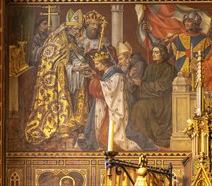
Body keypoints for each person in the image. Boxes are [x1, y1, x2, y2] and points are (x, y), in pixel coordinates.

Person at [25, 9, 89, 146]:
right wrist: (72, 68)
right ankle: (59, 126)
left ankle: (73, 123)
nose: (77, 31)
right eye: (75, 28)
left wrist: (79, 65)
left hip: (69, 76)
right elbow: (55, 62)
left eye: (78, 28)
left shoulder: (71, 39)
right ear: (69, 27)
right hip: (55, 79)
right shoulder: (57, 39)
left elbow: (72, 56)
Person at [77, 49, 141, 151]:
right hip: (108, 107)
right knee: (101, 134)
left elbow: (109, 91)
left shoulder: (116, 73)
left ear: (104, 63)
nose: (96, 66)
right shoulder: (108, 72)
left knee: (105, 137)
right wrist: (94, 77)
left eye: (97, 64)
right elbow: (105, 85)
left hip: (115, 109)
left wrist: (93, 80)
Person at [128, 45, 177, 148]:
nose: (154, 54)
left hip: (162, 100)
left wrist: (142, 84)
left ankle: (146, 138)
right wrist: (137, 83)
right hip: (150, 97)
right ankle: (143, 137)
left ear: (163, 54)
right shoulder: (151, 67)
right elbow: (144, 80)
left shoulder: (169, 68)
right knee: (137, 106)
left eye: (157, 52)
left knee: (140, 107)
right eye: (153, 52)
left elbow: (162, 86)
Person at [168, 11, 212, 78]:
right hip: (180, 76)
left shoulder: (205, 39)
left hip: (199, 76)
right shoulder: (177, 38)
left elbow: (208, 59)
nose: (186, 24)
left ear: (196, 23)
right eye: (185, 21)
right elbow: (171, 58)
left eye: (189, 21)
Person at [79, 10, 118, 75]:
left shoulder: (102, 40)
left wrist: (104, 49)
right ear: (87, 25)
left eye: (97, 25)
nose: (95, 27)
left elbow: (112, 60)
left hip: (101, 74)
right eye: (93, 24)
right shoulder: (79, 40)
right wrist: (85, 53)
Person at [116, 41, 147, 109]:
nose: (119, 62)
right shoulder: (124, 66)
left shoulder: (138, 65)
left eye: (121, 59)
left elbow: (131, 88)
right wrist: (128, 75)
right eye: (118, 60)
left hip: (135, 98)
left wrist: (127, 76)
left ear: (128, 58)